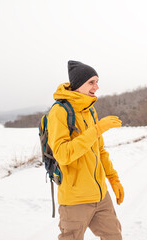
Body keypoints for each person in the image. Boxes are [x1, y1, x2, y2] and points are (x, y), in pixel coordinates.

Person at [47, 60, 124, 240]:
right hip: (75, 199)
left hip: (100, 195)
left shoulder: (90, 111)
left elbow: (100, 150)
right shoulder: (59, 112)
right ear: (78, 85)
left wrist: (113, 178)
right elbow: (63, 154)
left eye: (97, 81)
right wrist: (96, 130)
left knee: (114, 237)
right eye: (91, 82)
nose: (96, 87)